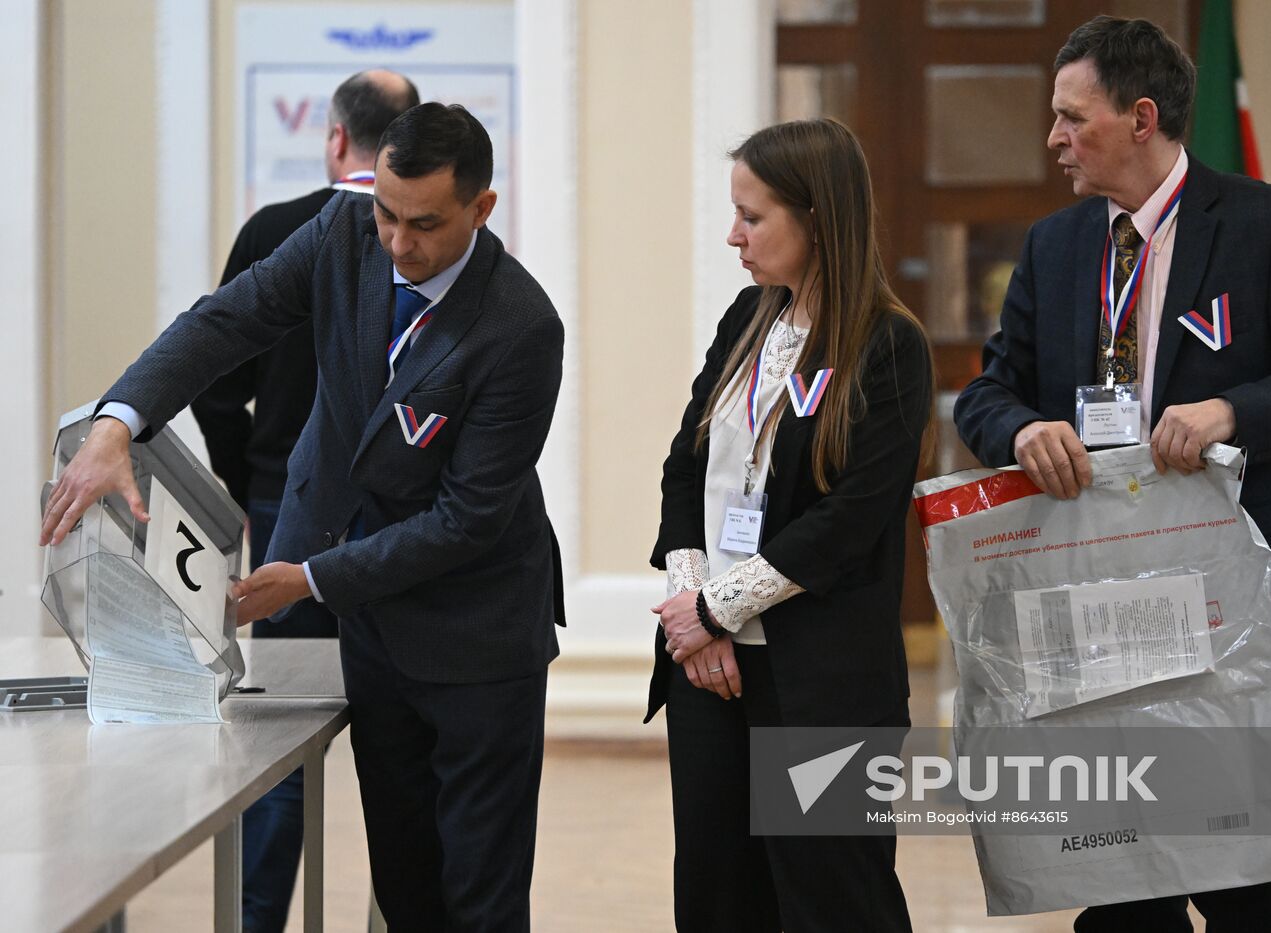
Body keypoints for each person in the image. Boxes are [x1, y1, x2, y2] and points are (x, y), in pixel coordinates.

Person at [40, 102, 565, 933]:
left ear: (482, 207)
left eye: (424, 225)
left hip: (479, 636)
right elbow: (222, 323)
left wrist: (313, 578)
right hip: (376, 626)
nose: (397, 242)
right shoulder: (340, 231)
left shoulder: (521, 327)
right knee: (404, 880)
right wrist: (119, 422)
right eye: (387, 214)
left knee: (480, 893)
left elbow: (467, 519)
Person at [953, 16, 1271, 931]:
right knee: (1116, 881)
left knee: (1239, 873)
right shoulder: (1055, 246)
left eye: (1073, 117)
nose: (1054, 138)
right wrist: (1025, 426)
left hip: (1236, 602)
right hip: (1097, 606)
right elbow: (987, 394)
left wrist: (1235, 412)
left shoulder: (1269, 226)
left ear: (1141, 117)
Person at [648, 118, 935, 932]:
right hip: (708, 671)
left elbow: (848, 521)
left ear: (817, 217)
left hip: (824, 675)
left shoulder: (889, 344)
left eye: (752, 215)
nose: (732, 234)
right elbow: (685, 464)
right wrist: (690, 610)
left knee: (834, 898)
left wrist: (714, 610)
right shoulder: (748, 316)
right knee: (716, 894)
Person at [189, 68, 417, 933]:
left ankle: (254, 923)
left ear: (334, 139)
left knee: (278, 760)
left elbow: (215, 383)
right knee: (403, 759)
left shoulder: (274, 232)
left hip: (287, 522)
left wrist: (252, 483)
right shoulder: (433, 249)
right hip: (398, 535)